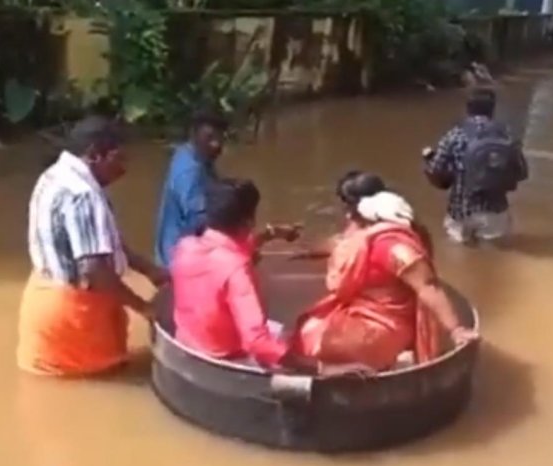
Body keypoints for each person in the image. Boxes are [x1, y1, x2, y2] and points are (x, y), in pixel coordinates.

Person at [17, 116, 167, 377]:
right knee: (106, 385)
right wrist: (145, 308)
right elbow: (95, 271)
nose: (124, 168)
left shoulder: (54, 175)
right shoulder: (83, 194)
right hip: (76, 314)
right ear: (95, 154)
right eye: (119, 159)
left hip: (43, 300)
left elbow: (102, 240)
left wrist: (150, 270)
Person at [291, 171, 477, 374]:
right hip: (364, 310)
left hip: (387, 323)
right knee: (309, 327)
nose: (346, 215)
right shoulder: (370, 233)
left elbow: (428, 286)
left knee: (315, 340)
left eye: (349, 208)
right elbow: (341, 244)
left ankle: (360, 367)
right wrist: (303, 251)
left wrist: (456, 330)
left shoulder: (394, 247)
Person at [171, 178, 303, 370]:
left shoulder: (185, 247)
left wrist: (271, 233)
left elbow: (232, 248)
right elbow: (257, 342)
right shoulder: (237, 269)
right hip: (226, 360)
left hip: (188, 343)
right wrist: (316, 367)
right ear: (249, 221)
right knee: (295, 342)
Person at [423, 87, 526, 244]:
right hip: (495, 212)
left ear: (468, 110)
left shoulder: (454, 135)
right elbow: (521, 172)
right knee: (494, 260)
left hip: (461, 212)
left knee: (459, 258)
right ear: (492, 110)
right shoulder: (506, 135)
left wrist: (428, 158)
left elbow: (436, 170)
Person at [154, 109, 228, 266]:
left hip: (176, 248)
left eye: (220, 138)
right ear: (194, 134)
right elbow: (199, 221)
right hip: (180, 259)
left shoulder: (190, 154)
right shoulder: (191, 171)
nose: (217, 144)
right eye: (209, 138)